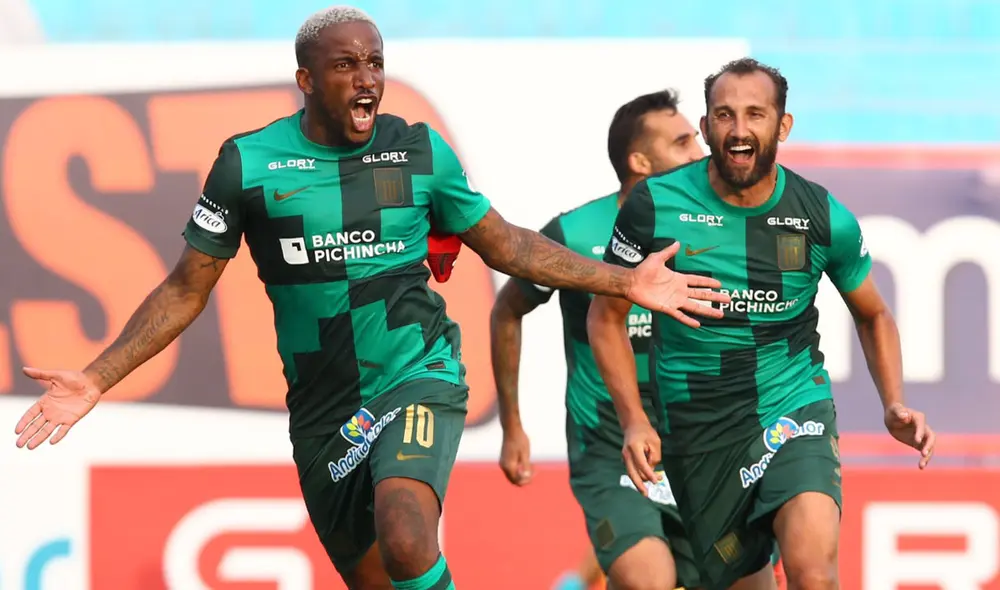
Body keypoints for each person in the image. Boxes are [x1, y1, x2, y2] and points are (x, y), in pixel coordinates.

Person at [10, 6, 730, 590]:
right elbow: (184, 288)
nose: (366, 80)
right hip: (324, 412)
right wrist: (97, 378)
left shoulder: (418, 152)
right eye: (346, 65)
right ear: (305, 78)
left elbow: (507, 245)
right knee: (381, 575)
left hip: (418, 374)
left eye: (375, 64)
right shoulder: (247, 164)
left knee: (408, 530)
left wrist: (626, 280)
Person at [588, 57, 936, 590]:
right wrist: (634, 419)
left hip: (792, 404)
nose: (739, 130)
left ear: (782, 125)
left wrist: (893, 401)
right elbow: (605, 317)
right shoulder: (653, 207)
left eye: (755, 114)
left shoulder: (821, 215)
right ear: (705, 128)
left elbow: (874, 314)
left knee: (812, 572)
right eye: (724, 116)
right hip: (698, 428)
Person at [491, 89, 705, 590]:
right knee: (648, 579)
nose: (699, 153)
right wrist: (513, 425)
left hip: (700, 439)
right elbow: (506, 310)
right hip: (607, 442)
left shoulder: (714, 230)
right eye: (682, 143)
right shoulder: (574, 234)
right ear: (639, 160)